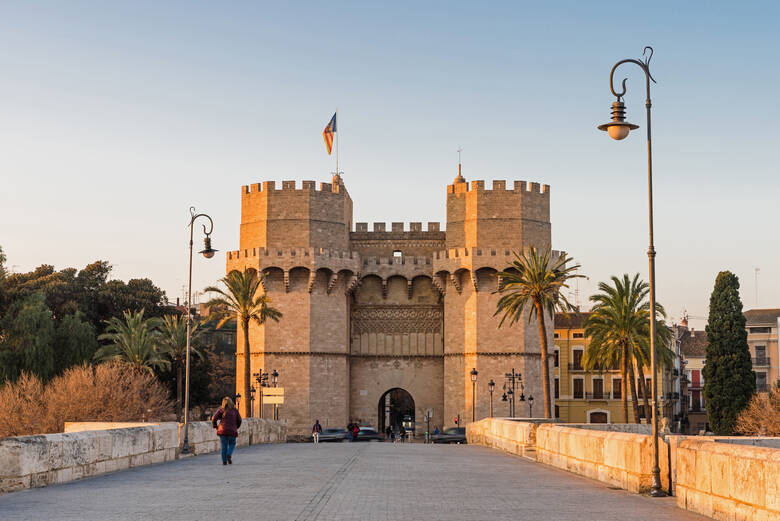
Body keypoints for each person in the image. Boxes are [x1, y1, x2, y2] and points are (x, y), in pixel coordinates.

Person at [212, 396, 241, 466]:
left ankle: (224, 461)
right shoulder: (235, 410)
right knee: (232, 443)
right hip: (232, 431)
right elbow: (239, 420)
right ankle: (229, 454)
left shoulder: (221, 410)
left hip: (222, 431)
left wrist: (215, 426)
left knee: (224, 446)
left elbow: (214, 419)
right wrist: (236, 427)